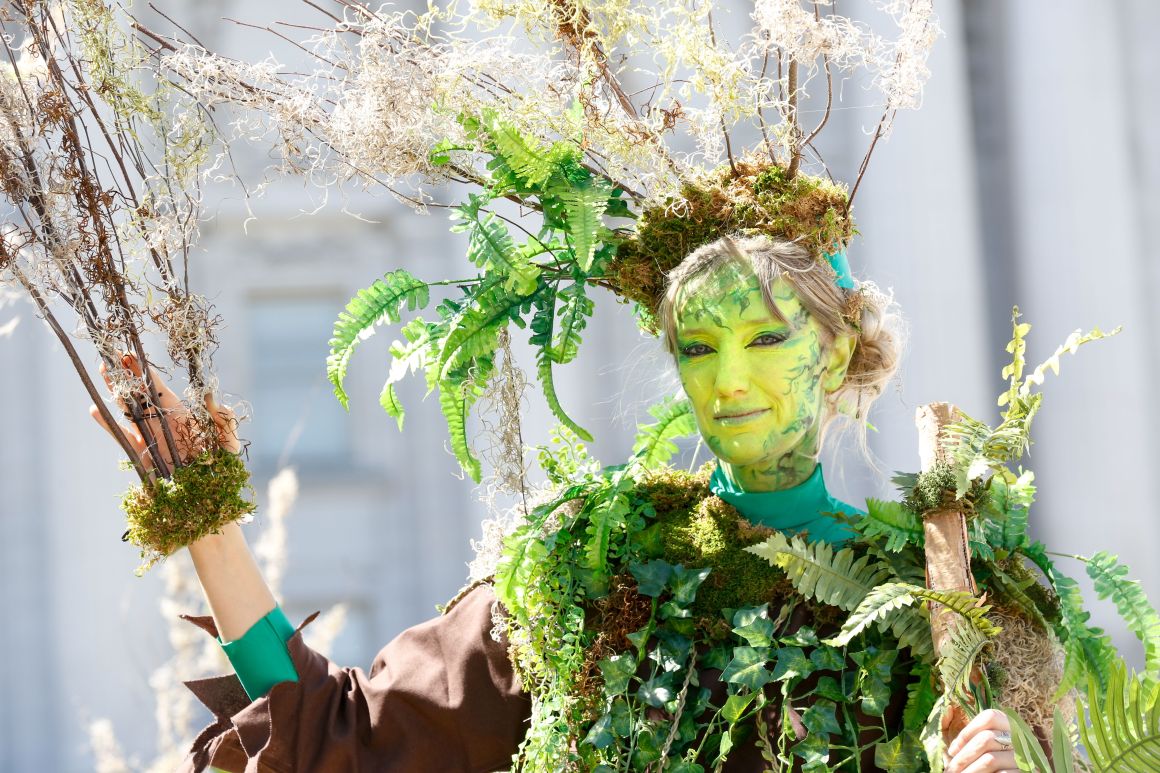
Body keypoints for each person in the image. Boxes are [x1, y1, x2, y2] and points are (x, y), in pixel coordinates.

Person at [91, 234, 1026, 772]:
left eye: (763, 338)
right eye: (697, 346)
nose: (729, 377)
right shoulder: (592, 569)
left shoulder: (946, 601)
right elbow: (345, 742)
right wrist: (205, 518)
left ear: (829, 352)